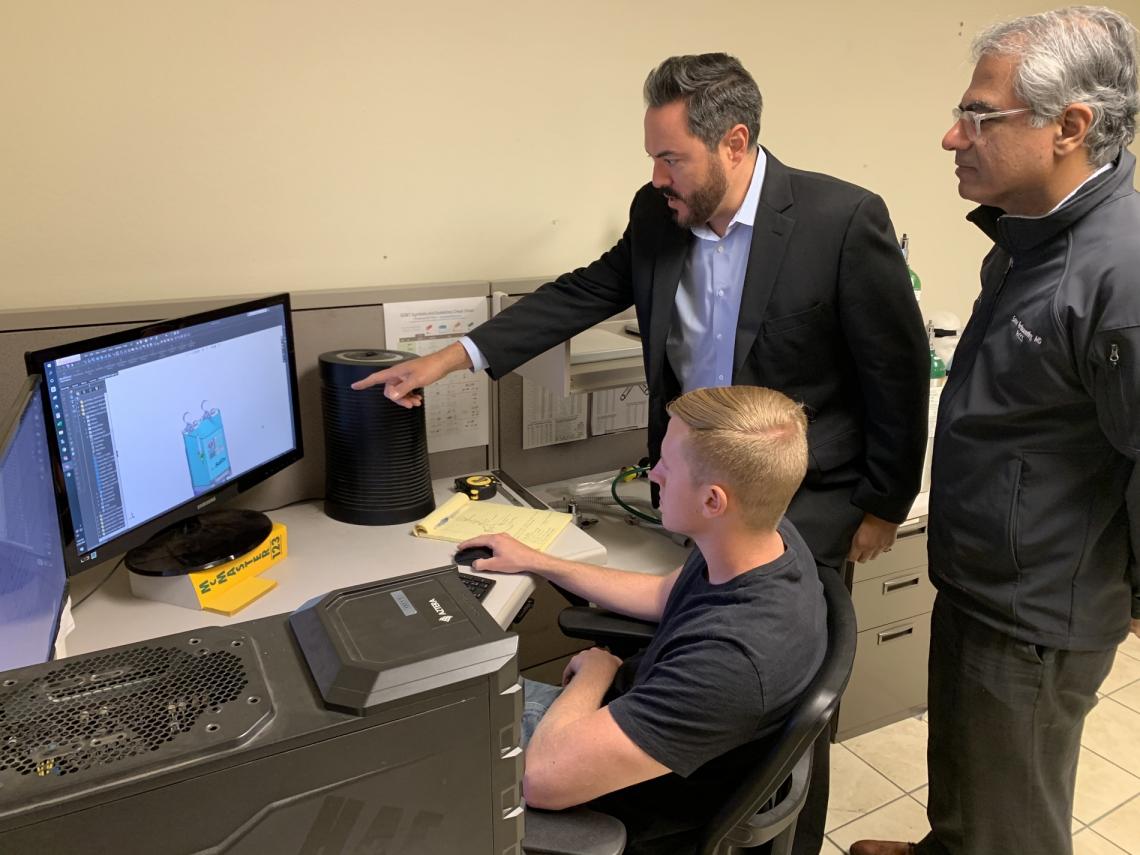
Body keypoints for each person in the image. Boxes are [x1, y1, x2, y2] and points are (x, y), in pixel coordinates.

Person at [356, 53, 928, 853]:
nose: (657, 175)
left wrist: (883, 506)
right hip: (698, 484)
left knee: (780, 712)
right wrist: (455, 357)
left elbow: (895, 376)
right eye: (652, 157)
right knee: (696, 635)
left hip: (804, 497)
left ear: (734, 143)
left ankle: (780, 840)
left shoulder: (839, 219)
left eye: (671, 157)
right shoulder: (658, 213)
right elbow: (582, 291)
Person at [852, 7, 1140, 855]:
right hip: (988, 573)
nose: (953, 136)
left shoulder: (1119, 275)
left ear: (1070, 127)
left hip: (1039, 603)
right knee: (969, 761)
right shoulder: (1031, 240)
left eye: (980, 117)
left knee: (1014, 814)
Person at [458, 385, 826, 855]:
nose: (654, 474)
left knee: (407, 748)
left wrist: (593, 675)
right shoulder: (762, 540)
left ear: (713, 501)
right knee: (431, 709)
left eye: (668, 466)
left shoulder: (732, 662)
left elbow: (541, 780)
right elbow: (661, 594)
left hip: (615, 783)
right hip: (620, 723)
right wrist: (540, 561)